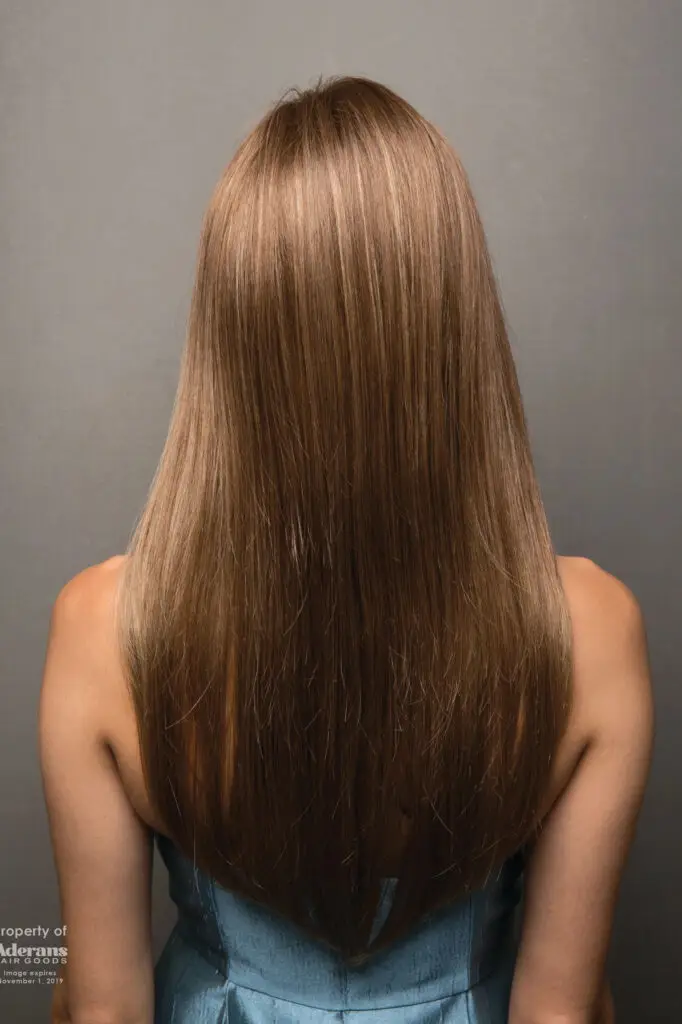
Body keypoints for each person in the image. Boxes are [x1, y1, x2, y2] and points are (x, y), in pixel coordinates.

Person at [39, 75, 653, 1024]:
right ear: (451, 328)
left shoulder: (104, 631)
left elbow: (101, 1012)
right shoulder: (590, 633)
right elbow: (561, 1014)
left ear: (233, 338)